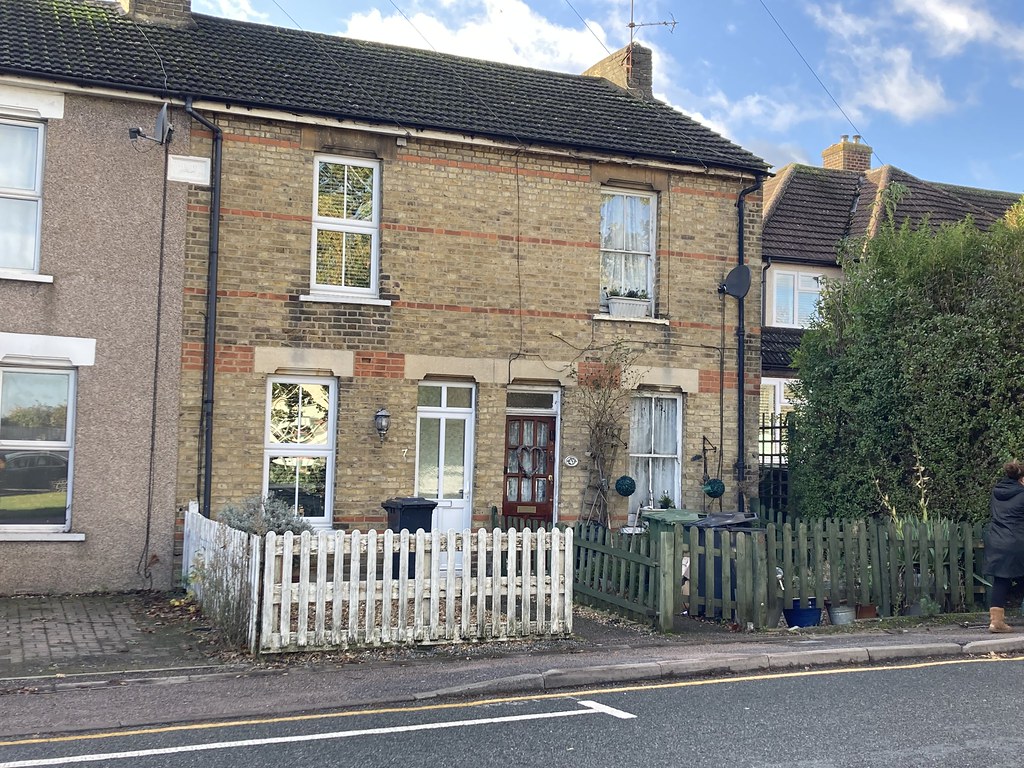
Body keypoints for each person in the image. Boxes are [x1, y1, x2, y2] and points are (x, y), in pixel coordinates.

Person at [985, 459, 1024, 633]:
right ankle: (1008, 601)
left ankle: (996, 622)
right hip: (1017, 542)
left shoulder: (996, 492)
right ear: (1021, 479)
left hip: (997, 541)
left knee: (1001, 579)